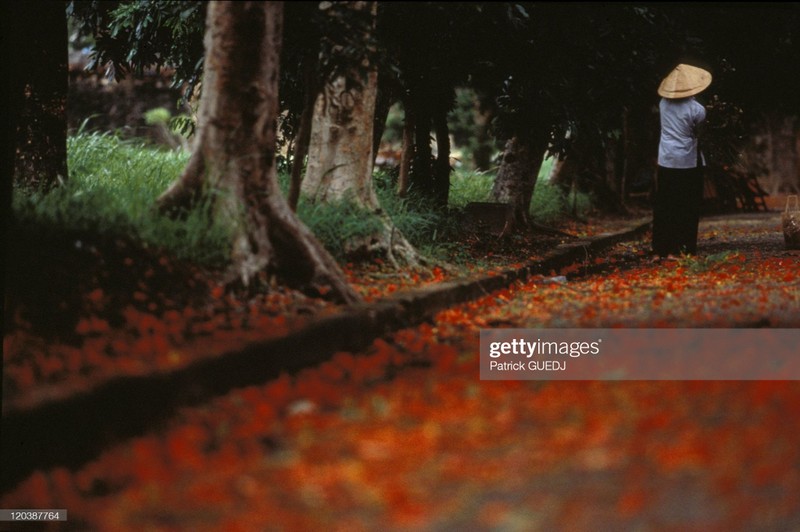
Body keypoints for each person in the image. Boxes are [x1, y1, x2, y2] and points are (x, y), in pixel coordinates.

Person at [652, 63, 712, 260]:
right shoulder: (697, 109)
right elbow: (698, 133)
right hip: (688, 162)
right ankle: (684, 249)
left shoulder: (663, 104)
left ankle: (660, 250)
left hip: (666, 159)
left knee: (665, 205)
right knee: (687, 206)